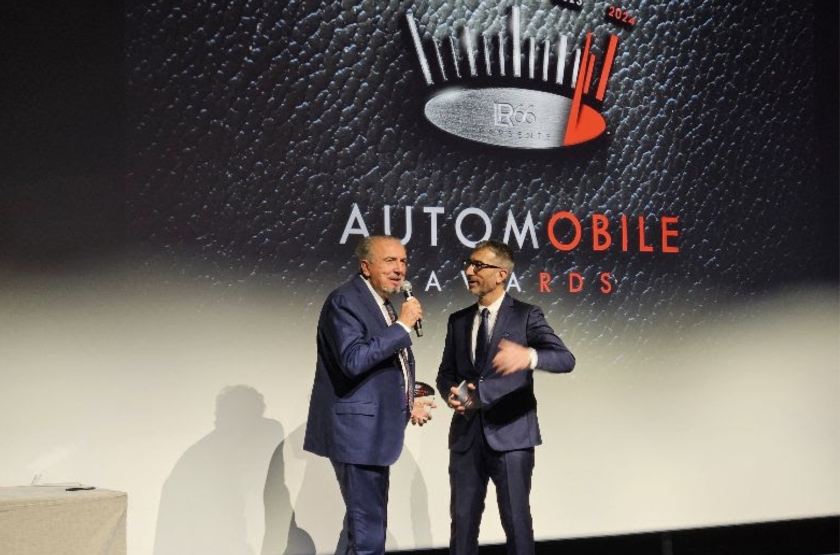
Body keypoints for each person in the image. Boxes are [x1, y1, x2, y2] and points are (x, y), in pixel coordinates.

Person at [436, 240, 575, 555]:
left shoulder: (526, 315)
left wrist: (529, 356)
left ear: (501, 274)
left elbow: (565, 359)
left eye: (478, 265)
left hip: (512, 438)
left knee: (516, 522)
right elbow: (445, 374)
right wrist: (451, 394)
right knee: (462, 525)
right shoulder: (458, 321)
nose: (469, 271)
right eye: (468, 264)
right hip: (466, 437)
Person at [303, 235, 435, 555]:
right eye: (390, 261)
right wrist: (402, 326)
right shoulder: (345, 301)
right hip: (357, 434)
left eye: (403, 261)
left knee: (361, 528)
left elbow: (386, 366)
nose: (399, 269)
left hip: (372, 433)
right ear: (366, 267)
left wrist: (408, 401)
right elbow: (354, 360)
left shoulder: (380, 303)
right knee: (368, 534)